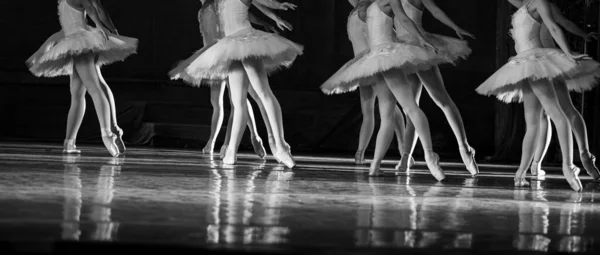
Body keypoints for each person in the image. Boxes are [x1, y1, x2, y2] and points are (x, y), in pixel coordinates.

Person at [27, 0, 138, 157]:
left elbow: (93, 8)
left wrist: (102, 27)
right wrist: (111, 29)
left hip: (81, 42)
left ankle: (107, 134)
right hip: (76, 40)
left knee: (94, 87)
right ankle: (70, 142)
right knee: (79, 92)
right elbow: (94, 8)